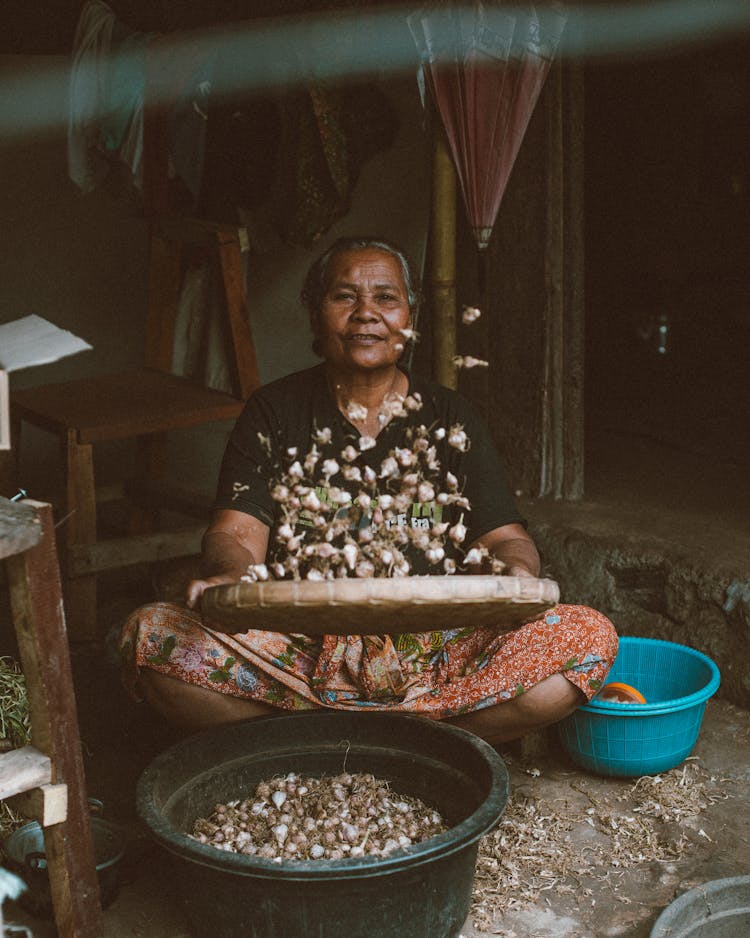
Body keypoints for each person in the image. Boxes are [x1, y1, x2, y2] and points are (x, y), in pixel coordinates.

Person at [119, 236, 617, 743]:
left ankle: (365, 737)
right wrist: (227, 576)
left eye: (385, 297)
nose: (365, 314)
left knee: (588, 637)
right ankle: (382, 737)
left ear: (409, 317)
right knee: (152, 637)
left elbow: (504, 538)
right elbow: (237, 533)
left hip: (435, 651)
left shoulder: (449, 417)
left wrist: (516, 574)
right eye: (344, 297)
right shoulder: (275, 411)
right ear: (315, 314)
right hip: (299, 646)